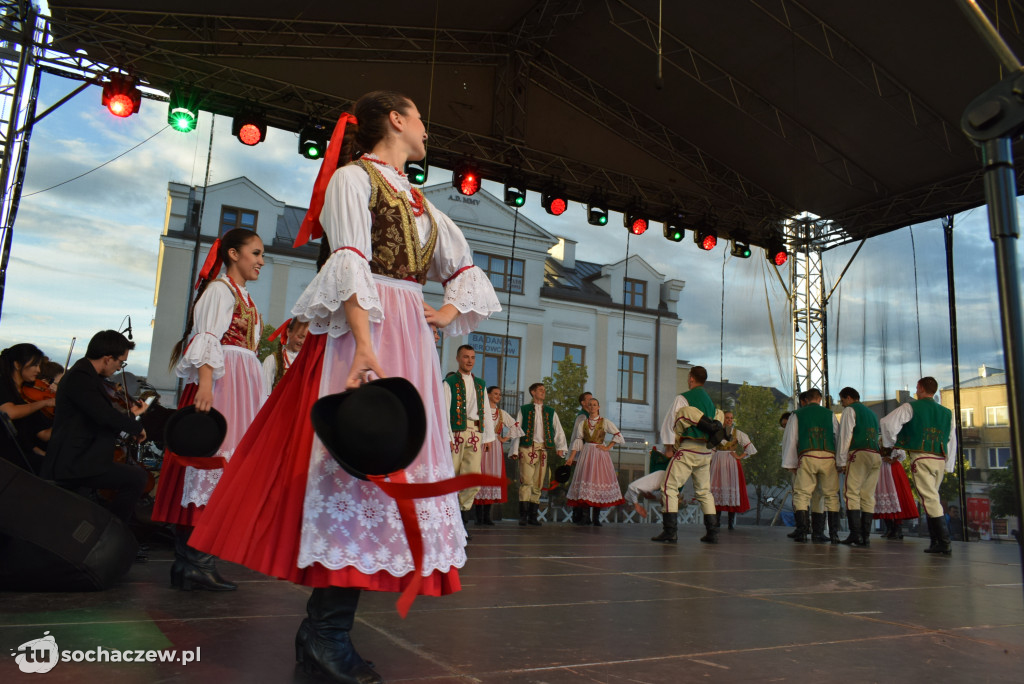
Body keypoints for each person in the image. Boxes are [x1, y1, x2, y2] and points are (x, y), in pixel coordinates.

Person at [189, 91, 501, 683]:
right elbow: (351, 261)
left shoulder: (422, 205)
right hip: (369, 332)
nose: (428, 130)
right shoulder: (352, 182)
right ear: (397, 120)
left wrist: (444, 311)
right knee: (353, 467)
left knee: (383, 474)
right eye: (421, 118)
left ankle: (325, 634)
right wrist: (363, 342)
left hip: (405, 333)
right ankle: (325, 635)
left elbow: (461, 268)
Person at [151, 227, 269, 592]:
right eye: (256, 253)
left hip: (241, 382)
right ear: (233, 254)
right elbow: (207, 339)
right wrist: (205, 385)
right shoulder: (219, 291)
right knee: (209, 465)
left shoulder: (243, 297)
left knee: (223, 471)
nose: (261, 261)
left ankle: (194, 562)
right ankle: (194, 562)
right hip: (222, 383)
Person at [41, 331, 148, 523]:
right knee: (137, 478)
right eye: (120, 362)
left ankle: (111, 531)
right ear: (108, 359)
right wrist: (135, 426)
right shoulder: (80, 378)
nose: (118, 368)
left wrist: (130, 418)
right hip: (74, 463)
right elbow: (104, 415)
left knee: (135, 475)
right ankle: (111, 534)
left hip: (83, 459)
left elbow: (100, 416)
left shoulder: (86, 375)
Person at [880, 376, 956, 556]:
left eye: (916, 388)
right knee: (931, 498)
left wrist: (890, 443)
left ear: (921, 388)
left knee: (929, 499)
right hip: (939, 458)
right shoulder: (947, 412)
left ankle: (944, 542)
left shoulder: (911, 407)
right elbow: (951, 440)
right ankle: (936, 542)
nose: (915, 391)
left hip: (921, 457)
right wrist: (949, 465)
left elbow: (886, 423)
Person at [652, 365, 723, 544]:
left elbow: (670, 423)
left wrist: (669, 448)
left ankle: (670, 531)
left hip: (688, 448)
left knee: (669, 487)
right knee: (704, 491)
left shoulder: (683, 398)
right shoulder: (709, 402)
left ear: (691, 378)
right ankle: (712, 532)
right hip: (706, 452)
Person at [443, 344, 494, 534]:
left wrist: (488, 436)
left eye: (472, 357)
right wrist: (447, 435)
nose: (469, 360)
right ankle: (449, 520)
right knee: (452, 475)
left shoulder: (480, 384)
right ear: (458, 359)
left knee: (472, 477)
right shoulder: (449, 383)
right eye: (465, 357)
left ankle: (463, 521)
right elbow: (444, 412)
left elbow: (486, 411)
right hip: (456, 433)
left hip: (475, 432)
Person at [781, 388, 840, 543]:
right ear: (820, 399)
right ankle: (828, 534)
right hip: (828, 456)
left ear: (806, 400)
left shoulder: (797, 414)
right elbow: (837, 437)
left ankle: (802, 531)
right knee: (829, 495)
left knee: (802, 494)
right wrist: (840, 461)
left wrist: (790, 463)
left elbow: (791, 439)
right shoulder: (830, 414)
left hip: (807, 456)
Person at [510, 382, 568, 527]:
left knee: (538, 483)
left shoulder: (550, 411)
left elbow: (558, 430)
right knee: (526, 482)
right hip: (527, 448)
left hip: (543, 450)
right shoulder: (524, 409)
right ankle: (523, 516)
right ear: (533, 392)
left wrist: (560, 446)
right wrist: (515, 449)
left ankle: (532, 516)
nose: (543, 392)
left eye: (544, 390)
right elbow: (517, 430)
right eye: (540, 390)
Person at [566, 397, 625, 526]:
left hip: (599, 454)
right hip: (586, 453)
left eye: (594, 405)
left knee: (598, 481)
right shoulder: (583, 423)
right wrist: (571, 457)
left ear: (598, 407)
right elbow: (578, 441)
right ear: (587, 407)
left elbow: (618, 434)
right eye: (590, 405)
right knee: (587, 481)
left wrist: (608, 447)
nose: (592, 407)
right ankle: (586, 517)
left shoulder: (604, 422)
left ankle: (596, 518)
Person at [836, 386, 881, 547]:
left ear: (848, 398)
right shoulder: (872, 414)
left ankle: (855, 534)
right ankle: (865, 536)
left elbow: (845, 436)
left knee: (851, 493)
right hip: (875, 454)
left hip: (859, 453)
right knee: (868, 495)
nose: (842, 405)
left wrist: (841, 461)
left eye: (842, 401)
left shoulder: (850, 410)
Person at [0, 344, 55, 471]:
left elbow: (37, 436)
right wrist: (44, 403)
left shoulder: (26, 395)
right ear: (17, 365)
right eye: (35, 365)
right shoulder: (3, 384)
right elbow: (9, 413)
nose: (39, 370)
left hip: (22, 450)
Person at [472, 386, 522, 525]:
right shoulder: (480, 411)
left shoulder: (501, 413)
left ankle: (487, 515)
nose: (498, 396)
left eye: (499, 394)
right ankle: (478, 515)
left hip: (495, 447)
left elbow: (516, 426)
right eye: (495, 393)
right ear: (487, 395)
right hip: (482, 444)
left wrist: (505, 438)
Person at [709, 410, 756, 530]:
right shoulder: (717, 433)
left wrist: (740, 456)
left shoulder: (737, 433)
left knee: (732, 489)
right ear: (722, 419)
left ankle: (731, 522)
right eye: (727, 418)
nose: (729, 420)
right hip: (718, 461)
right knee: (718, 489)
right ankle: (717, 521)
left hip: (731, 462)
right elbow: (712, 449)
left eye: (731, 418)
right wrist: (711, 461)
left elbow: (750, 448)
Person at [262, 318, 309, 394]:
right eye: (300, 337)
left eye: (306, 338)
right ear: (288, 332)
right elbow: (264, 394)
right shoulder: (272, 360)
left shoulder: (308, 363)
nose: (302, 342)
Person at [570, 390, 593, 525]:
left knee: (586, 483)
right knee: (583, 483)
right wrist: (573, 455)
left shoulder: (589, 416)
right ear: (583, 403)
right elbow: (577, 437)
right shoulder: (582, 417)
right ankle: (580, 514)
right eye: (588, 400)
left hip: (588, 453)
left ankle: (583, 515)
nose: (591, 403)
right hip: (583, 453)